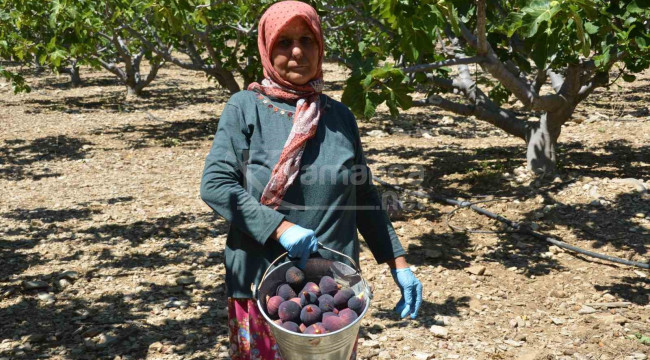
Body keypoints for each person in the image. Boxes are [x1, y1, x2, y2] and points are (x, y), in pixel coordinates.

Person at [200, 1, 423, 359]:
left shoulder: (339, 116)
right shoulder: (245, 107)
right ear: (266, 47)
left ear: (320, 46)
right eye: (284, 42)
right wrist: (280, 228)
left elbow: (363, 197)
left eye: (307, 39)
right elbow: (216, 184)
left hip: (333, 293)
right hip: (263, 286)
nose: (298, 52)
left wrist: (398, 263)